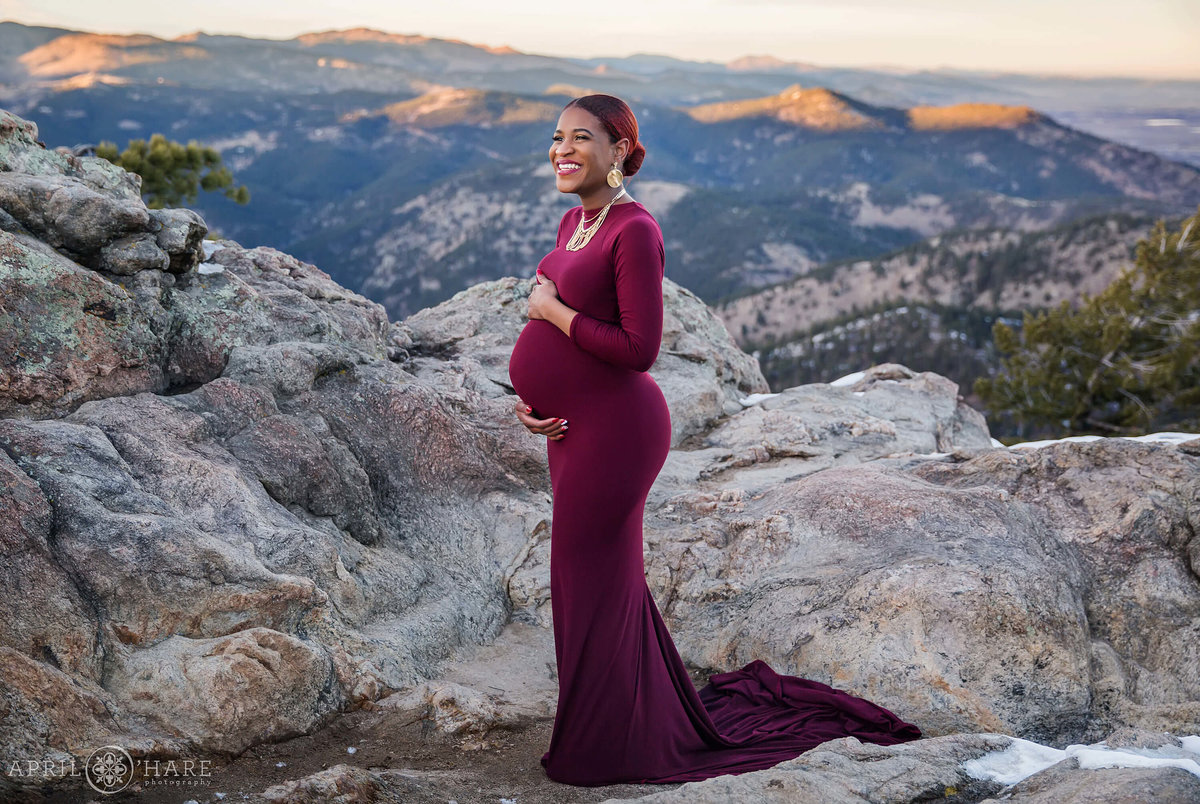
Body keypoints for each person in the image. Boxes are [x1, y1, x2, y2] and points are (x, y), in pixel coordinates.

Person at [506, 94, 921, 786]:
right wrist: (532, 400)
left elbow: (639, 348)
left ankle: (610, 745)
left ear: (619, 152)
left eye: (582, 138)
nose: (563, 150)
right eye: (556, 137)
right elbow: (564, 346)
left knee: (592, 576)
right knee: (589, 580)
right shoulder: (573, 221)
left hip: (619, 430)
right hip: (571, 429)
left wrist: (550, 308)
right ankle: (611, 727)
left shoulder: (635, 230)